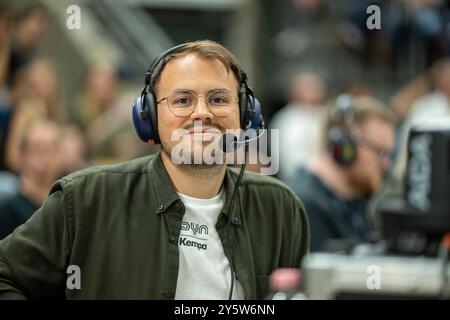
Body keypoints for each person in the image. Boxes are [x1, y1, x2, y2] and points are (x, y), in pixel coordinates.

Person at [0, 40, 309, 300]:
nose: (202, 113)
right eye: (183, 100)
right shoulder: (84, 199)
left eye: (218, 99)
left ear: (246, 115)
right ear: (148, 117)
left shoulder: (280, 209)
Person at [287, 95, 395, 252]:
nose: (386, 164)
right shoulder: (304, 205)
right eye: (380, 152)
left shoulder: (353, 201)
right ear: (345, 147)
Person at [0, 119, 62, 239]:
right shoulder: (7, 211)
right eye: (37, 149)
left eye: (51, 148)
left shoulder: (67, 206)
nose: (45, 157)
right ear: (23, 155)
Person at [270, 72, 328, 182]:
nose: (314, 92)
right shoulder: (287, 118)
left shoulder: (323, 114)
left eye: (315, 88)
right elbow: (291, 163)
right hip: (298, 181)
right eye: (309, 88)